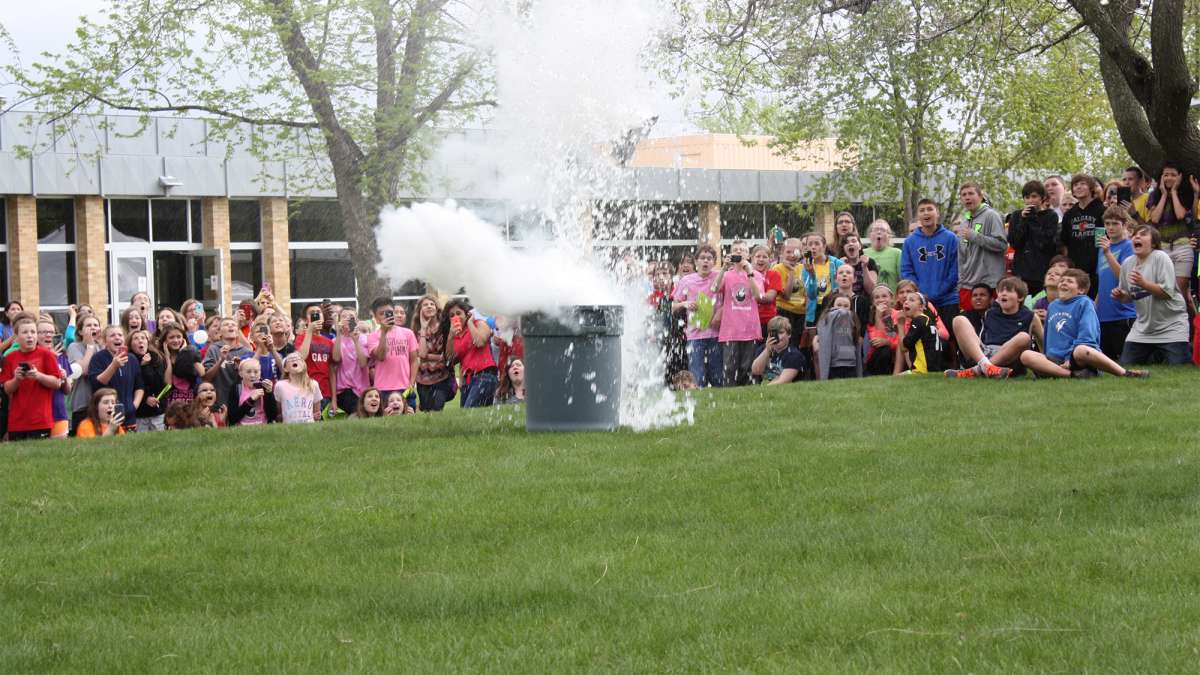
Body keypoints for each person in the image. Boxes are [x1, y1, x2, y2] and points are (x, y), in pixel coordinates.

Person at [1019, 269, 1148, 378]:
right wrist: (1046, 358)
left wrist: (1070, 358)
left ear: (1081, 290)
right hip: (1055, 359)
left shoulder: (1084, 303)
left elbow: (1087, 336)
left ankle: (1124, 373)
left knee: (1081, 350)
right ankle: (1070, 375)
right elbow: (1048, 337)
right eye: (1062, 281)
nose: (1063, 283)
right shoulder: (1053, 306)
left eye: (1069, 281)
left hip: (1077, 357)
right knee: (1026, 355)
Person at [1112, 225, 1192, 365]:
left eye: (1143, 235)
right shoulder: (1127, 264)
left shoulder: (1161, 257)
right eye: (1135, 235)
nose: (1137, 237)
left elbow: (1167, 293)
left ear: (1154, 243)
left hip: (1172, 326)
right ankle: (1156, 355)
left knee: (1180, 366)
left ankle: (1182, 349)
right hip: (1143, 330)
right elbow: (1127, 298)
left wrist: (1144, 284)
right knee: (1126, 365)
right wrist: (1121, 295)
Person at [945, 276, 1039, 379]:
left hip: (1010, 359)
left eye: (1008, 291)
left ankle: (976, 371)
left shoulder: (1030, 316)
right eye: (1001, 291)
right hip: (985, 354)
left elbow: (1043, 342)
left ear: (1020, 297)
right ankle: (986, 367)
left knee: (1024, 337)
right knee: (959, 320)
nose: (1003, 293)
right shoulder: (990, 313)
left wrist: (1043, 368)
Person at [1, 313, 64, 441]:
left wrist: (39, 376)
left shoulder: (47, 355)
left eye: (33, 332)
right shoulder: (9, 358)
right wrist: (17, 379)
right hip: (17, 422)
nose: (30, 336)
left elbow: (57, 383)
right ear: (17, 337)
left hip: (41, 420)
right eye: (25, 332)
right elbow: (7, 389)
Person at [1146, 162, 1197, 315]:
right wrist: (1163, 194)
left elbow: (1181, 214)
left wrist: (1174, 192)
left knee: (1179, 291)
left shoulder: (1186, 194)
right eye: (1166, 174)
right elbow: (1154, 218)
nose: (1169, 178)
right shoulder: (1154, 195)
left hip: (1183, 247)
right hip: (1162, 248)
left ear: (1180, 177)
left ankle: (1185, 329)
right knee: (1163, 288)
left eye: (1173, 175)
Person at [901, 199, 960, 328]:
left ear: (937, 213)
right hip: (921, 303)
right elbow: (906, 271)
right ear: (918, 216)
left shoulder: (951, 239)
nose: (926, 213)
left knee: (949, 341)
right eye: (922, 210)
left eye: (930, 209)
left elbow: (956, 269)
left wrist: (939, 291)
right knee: (926, 342)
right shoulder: (910, 242)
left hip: (948, 300)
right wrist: (921, 293)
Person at [711, 240, 763, 386]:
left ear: (748, 254)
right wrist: (723, 269)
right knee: (730, 368)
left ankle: (748, 396)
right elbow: (714, 289)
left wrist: (749, 273)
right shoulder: (727, 275)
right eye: (736, 250)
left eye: (742, 250)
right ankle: (730, 396)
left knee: (747, 368)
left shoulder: (755, 274)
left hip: (750, 329)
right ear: (730, 254)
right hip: (730, 330)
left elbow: (758, 296)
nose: (739, 252)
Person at [670, 245, 723, 387]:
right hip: (695, 336)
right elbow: (673, 306)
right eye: (702, 258)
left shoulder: (719, 277)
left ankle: (720, 405)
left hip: (715, 335)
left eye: (709, 258)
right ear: (696, 261)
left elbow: (728, 301)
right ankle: (698, 405)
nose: (706, 261)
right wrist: (685, 304)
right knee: (697, 377)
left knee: (717, 376)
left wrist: (720, 312)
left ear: (714, 262)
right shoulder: (686, 281)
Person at [954, 181, 1008, 311]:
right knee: (969, 324)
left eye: (971, 193)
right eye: (964, 195)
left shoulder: (991, 215)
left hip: (990, 283)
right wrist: (961, 281)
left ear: (980, 196)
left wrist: (975, 236)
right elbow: (962, 255)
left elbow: (1001, 245)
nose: (967, 197)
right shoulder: (964, 222)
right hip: (968, 284)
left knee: (992, 322)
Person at [1095, 206, 1137, 360]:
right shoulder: (1102, 248)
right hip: (1104, 314)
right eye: (1107, 224)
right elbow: (1102, 280)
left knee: (1124, 360)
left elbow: (1124, 277)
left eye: (1115, 223)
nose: (1110, 227)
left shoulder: (1129, 246)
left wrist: (1108, 253)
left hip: (1123, 314)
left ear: (1124, 225)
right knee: (1107, 359)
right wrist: (1095, 305)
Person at [1007, 180, 1061, 296]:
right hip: (1021, 272)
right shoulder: (1017, 215)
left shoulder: (1050, 216)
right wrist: (1022, 220)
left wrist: (1032, 219)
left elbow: (1045, 243)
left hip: (1040, 273)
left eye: (1034, 196)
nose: (1030, 200)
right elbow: (1014, 243)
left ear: (1042, 198)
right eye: (1027, 197)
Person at [88, 325, 144, 431]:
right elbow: (96, 384)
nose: (117, 338)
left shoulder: (132, 358)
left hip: (129, 418)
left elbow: (139, 386)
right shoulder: (97, 358)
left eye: (120, 335)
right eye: (112, 335)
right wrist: (113, 366)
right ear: (105, 341)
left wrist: (134, 406)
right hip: (106, 418)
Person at [444, 298, 498, 407]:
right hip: (467, 381)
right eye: (452, 315)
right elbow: (450, 360)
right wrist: (450, 335)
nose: (456, 317)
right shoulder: (455, 336)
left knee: (469, 411)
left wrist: (470, 323)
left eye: (459, 313)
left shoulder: (479, 324)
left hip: (485, 376)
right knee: (468, 419)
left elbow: (480, 342)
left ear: (467, 314)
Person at [1059, 173, 1106, 297]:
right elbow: (1065, 242)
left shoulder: (1101, 210)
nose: (1078, 187)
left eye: (1082, 184)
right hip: (1076, 266)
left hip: (1096, 266)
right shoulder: (1070, 214)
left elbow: (1102, 239)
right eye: (1075, 185)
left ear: (1091, 188)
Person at [365, 298, 420, 402]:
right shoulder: (372, 336)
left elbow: (414, 360)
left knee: (408, 415)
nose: (386, 316)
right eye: (381, 313)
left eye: (389, 312)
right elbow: (380, 356)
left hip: (405, 386)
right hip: (382, 388)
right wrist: (384, 333)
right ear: (376, 319)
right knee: (387, 416)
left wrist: (411, 384)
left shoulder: (408, 333)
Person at [412, 296, 454, 412]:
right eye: (425, 305)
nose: (429, 306)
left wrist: (427, 357)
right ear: (420, 310)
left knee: (437, 410)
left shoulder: (445, 327)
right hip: (423, 379)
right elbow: (422, 354)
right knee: (426, 412)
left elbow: (446, 356)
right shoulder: (417, 331)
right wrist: (424, 328)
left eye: (432, 304)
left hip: (442, 377)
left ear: (437, 308)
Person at [202, 317, 255, 405]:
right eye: (226, 324)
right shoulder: (213, 349)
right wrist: (221, 360)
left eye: (233, 325)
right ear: (219, 332)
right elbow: (207, 378)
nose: (230, 326)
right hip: (219, 402)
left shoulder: (246, 352)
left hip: (241, 402)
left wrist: (240, 368)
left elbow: (252, 381)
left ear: (237, 332)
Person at [36, 317, 72, 439]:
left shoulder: (62, 356)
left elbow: (67, 390)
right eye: (42, 332)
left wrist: (65, 378)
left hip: (59, 411)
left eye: (51, 332)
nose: (47, 335)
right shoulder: (32, 355)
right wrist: (51, 358)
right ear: (35, 335)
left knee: (60, 453)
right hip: (38, 414)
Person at [66, 314, 103, 433]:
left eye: (95, 325)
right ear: (81, 332)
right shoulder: (74, 347)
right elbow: (84, 370)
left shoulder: (102, 347)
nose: (93, 328)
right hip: (83, 403)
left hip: (102, 402)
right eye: (88, 325)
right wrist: (90, 346)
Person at [814, 294, 862, 379]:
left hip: (851, 363)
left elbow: (857, 344)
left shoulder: (853, 319)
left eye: (846, 306)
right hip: (834, 364)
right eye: (838, 305)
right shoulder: (827, 318)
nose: (842, 308)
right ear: (832, 306)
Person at [896, 292, 947, 374]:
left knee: (896, 381)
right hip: (932, 370)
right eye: (905, 300)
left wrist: (900, 324)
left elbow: (904, 347)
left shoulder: (919, 320)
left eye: (911, 300)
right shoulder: (927, 320)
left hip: (922, 371)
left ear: (921, 307)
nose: (906, 302)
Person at [128, 329, 169, 432]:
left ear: (147, 342)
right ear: (130, 344)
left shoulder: (157, 357)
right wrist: (142, 366)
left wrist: (146, 367)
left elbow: (159, 383)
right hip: (140, 413)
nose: (140, 341)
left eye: (143, 338)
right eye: (136, 339)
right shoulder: (128, 360)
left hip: (157, 411)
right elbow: (132, 384)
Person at [330, 309, 369, 414]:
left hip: (360, 391)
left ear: (356, 321)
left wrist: (356, 341)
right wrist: (338, 332)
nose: (347, 318)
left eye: (350, 316)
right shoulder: (335, 341)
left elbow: (363, 363)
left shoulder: (364, 339)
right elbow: (336, 359)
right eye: (343, 316)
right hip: (342, 391)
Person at [801, 233, 844, 326]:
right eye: (810, 244)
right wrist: (811, 274)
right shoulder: (805, 267)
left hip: (833, 306)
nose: (813, 247)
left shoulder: (837, 264)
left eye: (817, 244)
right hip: (815, 310)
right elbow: (811, 295)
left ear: (824, 246)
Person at [771, 238, 808, 346]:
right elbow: (786, 295)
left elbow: (807, 294)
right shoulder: (777, 269)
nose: (792, 255)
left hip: (801, 313)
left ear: (801, 253)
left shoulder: (804, 268)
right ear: (782, 253)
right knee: (783, 343)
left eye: (795, 252)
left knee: (797, 345)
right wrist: (791, 272)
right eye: (788, 252)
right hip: (784, 311)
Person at [751, 316, 805, 384]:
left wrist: (764, 390)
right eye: (774, 333)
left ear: (789, 334)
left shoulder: (794, 355)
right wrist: (767, 351)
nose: (777, 337)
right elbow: (756, 371)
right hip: (767, 387)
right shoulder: (763, 349)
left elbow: (783, 381)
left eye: (781, 332)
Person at [160, 325, 204, 408]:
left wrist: (184, 353)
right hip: (170, 402)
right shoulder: (160, 357)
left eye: (179, 337)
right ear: (165, 340)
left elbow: (202, 373)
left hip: (190, 400)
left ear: (183, 339)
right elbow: (168, 384)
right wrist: (168, 358)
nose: (176, 340)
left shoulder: (191, 352)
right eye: (171, 337)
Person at [225, 357, 277, 426]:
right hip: (241, 431)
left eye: (256, 372)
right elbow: (232, 418)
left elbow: (272, 416)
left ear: (260, 373)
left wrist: (269, 393)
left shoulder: (265, 386)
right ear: (240, 373)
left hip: (263, 428)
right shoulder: (236, 388)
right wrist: (251, 400)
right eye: (248, 372)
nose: (252, 375)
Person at [275, 352, 321, 423]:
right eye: (290, 359)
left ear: (304, 365)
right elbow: (278, 411)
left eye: (298, 359)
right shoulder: (280, 386)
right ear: (285, 369)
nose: (294, 360)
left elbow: (317, 412)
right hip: (288, 430)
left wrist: (315, 416)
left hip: (309, 428)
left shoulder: (313, 384)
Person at [865, 285, 899, 376]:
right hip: (875, 358)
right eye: (877, 297)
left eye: (884, 296)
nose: (880, 300)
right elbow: (877, 342)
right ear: (873, 301)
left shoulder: (897, 315)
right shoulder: (871, 317)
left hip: (895, 357)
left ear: (891, 298)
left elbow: (893, 339)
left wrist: (888, 342)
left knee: (886, 349)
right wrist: (878, 317)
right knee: (884, 350)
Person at [750, 244, 783, 340]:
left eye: (765, 257)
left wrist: (756, 297)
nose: (761, 259)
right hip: (749, 320)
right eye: (758, 256)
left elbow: (769, 298)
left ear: (770, 259)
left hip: (768, 321)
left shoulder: (774, 275)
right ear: (751, 258)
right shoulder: (744, 275)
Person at [865, 220, 900, 293]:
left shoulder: (897, 253)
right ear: (870, 235)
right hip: (869, 300)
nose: (879, 232)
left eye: (883, 230)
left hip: (891, 300)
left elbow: (902, 280)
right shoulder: (863, 253)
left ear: (889, 235)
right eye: (875, 230)